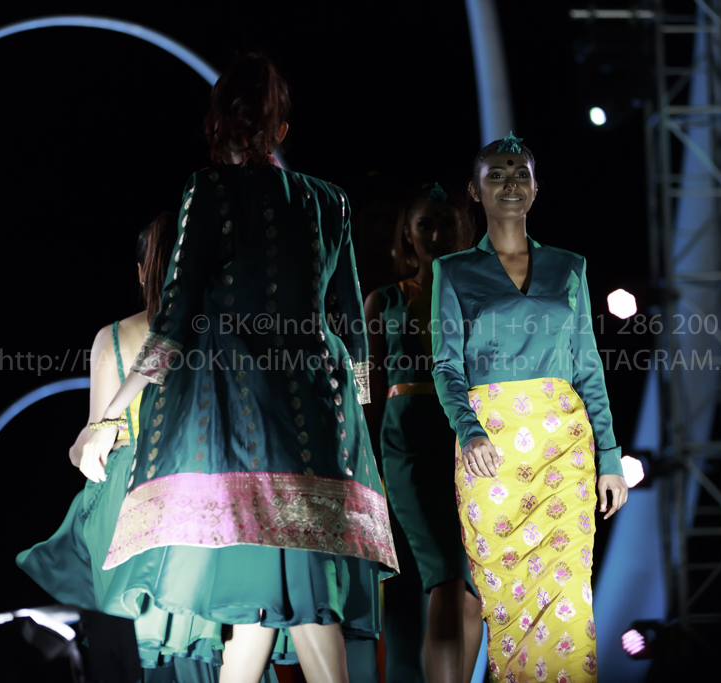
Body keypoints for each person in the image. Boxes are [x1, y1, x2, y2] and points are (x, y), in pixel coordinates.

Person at [79, 53, 398, 683]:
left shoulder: (211, 190)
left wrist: (107, 418)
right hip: (316, 425)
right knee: (279, 597)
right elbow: (353, 332)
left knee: (286, 594)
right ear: (282, 127)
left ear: (217, 123)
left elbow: (172, 324)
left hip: (238, 424)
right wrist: (358, 425)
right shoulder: (329, 201)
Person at [17, 213, 255, 681]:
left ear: (143, 271)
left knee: (130, 644)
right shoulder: (226, 328)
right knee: (208, 638)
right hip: (205, 483)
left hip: (125, 495)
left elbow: (91, 437)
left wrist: (84, 451)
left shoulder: (113, 338)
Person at [431, 134, 629, 682]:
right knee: (509, 606)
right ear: (475, 191)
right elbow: (446, 366)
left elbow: (588, 368)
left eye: (521, 173)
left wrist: (610, 457)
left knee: (568, 600)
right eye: (496, 174)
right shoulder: (453, 271)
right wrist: (469, 430)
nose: (511, 183)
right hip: (490, 451)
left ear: (537, 189)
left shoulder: (570, 266)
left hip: (564, 450)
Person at [363, 182, 482, 683]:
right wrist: (361, 462)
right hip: (407, 443)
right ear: (407, 235)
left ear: (461, 228)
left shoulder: (478, 295)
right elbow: (366, 386)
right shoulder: (383, 300)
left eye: (444, 222)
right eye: (424, 224)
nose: (435, 233)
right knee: (447, 577)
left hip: (467, 441)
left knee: (474, 596)